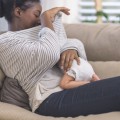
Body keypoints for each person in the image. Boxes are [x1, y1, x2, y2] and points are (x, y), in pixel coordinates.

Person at [0, 0, 120, 118]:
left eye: (41, 16)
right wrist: (46, 18)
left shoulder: (42, 35)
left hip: (70, 91)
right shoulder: (5, 42)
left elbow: (75, 47)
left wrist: (70, 48)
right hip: (49, 100)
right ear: (18, 12)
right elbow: (49, 53)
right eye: (37, 14)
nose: (39, 20)